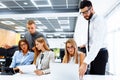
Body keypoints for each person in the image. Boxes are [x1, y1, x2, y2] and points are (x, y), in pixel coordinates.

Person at [79, 0, 108, 78]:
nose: (84, 15)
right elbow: (92, 38)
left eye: (86, 12)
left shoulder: (99, 20)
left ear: (91, 8)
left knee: (97, 78)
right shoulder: (91, 21)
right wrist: (85, 44)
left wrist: (85, 63)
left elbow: (97, 43)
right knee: (92, 77)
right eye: (82, 13)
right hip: (94, 54)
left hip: (99, 53)